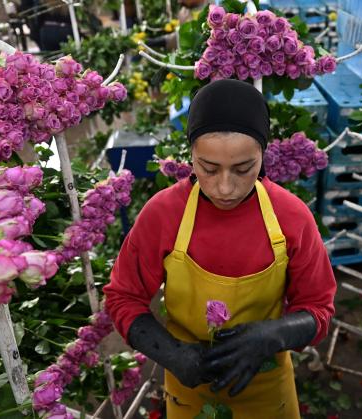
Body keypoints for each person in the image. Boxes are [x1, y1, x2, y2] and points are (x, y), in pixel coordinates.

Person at [103, 79, 336, 418]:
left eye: (244, 169)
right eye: (208, 168)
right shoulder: (164, 214)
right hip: (190, 389)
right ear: (191, 155)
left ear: (263, 155)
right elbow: (123, 296)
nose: (225, 187)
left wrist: (275, 334)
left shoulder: (291, 217)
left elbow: (319, 308)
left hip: (267, 388)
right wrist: (172, 354)